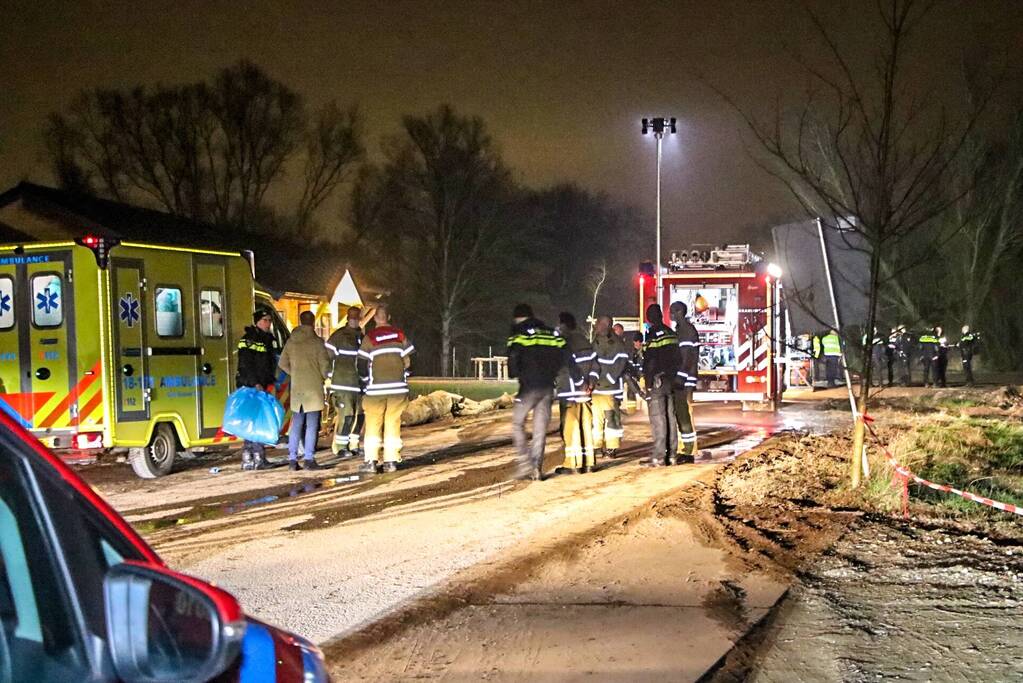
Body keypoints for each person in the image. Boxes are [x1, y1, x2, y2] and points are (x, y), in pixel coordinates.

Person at [506, 304, 568, 481]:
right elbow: (563, 352)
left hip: (529, 387)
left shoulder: (519, 332)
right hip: (548, 387)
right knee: (540, 430)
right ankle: (536, 470)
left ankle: (525, 463)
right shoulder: (550, 333)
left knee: (518, 424)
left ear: (519, 317)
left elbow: (513, 358)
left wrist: (518, 374)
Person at [357, 305, 414, 474]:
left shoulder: (370, 338)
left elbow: (361, 363)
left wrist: (366, 381)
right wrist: (404, 375)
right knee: (393, 423)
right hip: (397, 389)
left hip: (375, 390)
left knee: (373, 425)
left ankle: (371, 461)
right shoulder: (400, 335)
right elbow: (409, 361)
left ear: (375, 318)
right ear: (388, 317)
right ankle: (391, 461)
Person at [278, 310, 332, 471]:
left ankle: (292, 460)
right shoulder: (317, 342)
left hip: (297, 388)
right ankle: (309, 458)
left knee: (296, 424)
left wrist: (294, 372)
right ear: (313, 323)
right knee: (311, 425)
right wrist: (325, 375)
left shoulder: (291, 341)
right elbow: (324, 367)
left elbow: (282, 363)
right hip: (313, 388)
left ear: (300, 322)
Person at [235, 310, 278, 471]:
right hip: (251, 386)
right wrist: (256, 383)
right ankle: (257, 458)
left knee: (253, 420)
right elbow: (245, 364)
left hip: (260, 384)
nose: (268, 323)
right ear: (257, 322)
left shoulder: (265, 339)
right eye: (265, 320)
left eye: (269, 320)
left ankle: (249, 458)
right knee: (256, 421)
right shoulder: (249, 339)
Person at [555, 312, 596, 474]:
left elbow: (571, 367)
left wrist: (580, 384)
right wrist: (591, 382)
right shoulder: (584, 341)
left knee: (570, 428)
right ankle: (589, 463)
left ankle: (573, 464)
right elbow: (595, 364)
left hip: (570, 392)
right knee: (586, 426)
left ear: (563, 325)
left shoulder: (565, 343)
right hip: (586, 393)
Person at [642, 304, 680, 467]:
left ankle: (658, 457)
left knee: (658, 418)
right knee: (670, 417)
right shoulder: (671, 333)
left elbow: (650, 360)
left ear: (650, 318)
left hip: (658, 380)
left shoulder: (652, 335)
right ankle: (672, 455)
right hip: (671, 380)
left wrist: (649, 383)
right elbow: (678, 358)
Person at [591, 315, 633, 458]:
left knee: (611, 419)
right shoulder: (596, 340)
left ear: (606, 325)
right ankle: (597, 446)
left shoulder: (616, 343)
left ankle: (611, 447)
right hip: (597, 388)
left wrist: (609, 379)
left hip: (610, 388)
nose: (596, 326)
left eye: (599, 324)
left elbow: (620, 363)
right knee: (596, 419)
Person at [326, 306, 364, 458]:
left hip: (359, 383)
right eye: (352, 317)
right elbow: (327, 357)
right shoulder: (338, 336)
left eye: (357, 317)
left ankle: (353, 444)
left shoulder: (361, 336)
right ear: (348, 318)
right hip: (343, 384)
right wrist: (330, 376)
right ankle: (341, 447)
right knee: (346, 415)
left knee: (359, 415)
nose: (354, 319)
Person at [670, 302, 700, 462]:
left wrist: (680, 378)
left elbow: (687, 357)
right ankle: (686, 449)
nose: (670, 314)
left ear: (680, 312)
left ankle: (688, 451)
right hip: (684, 378)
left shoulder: (686, 331)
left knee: (684, 414)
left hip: (685, 380)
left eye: (672, 311)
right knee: (681, 414)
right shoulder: (681, 330)